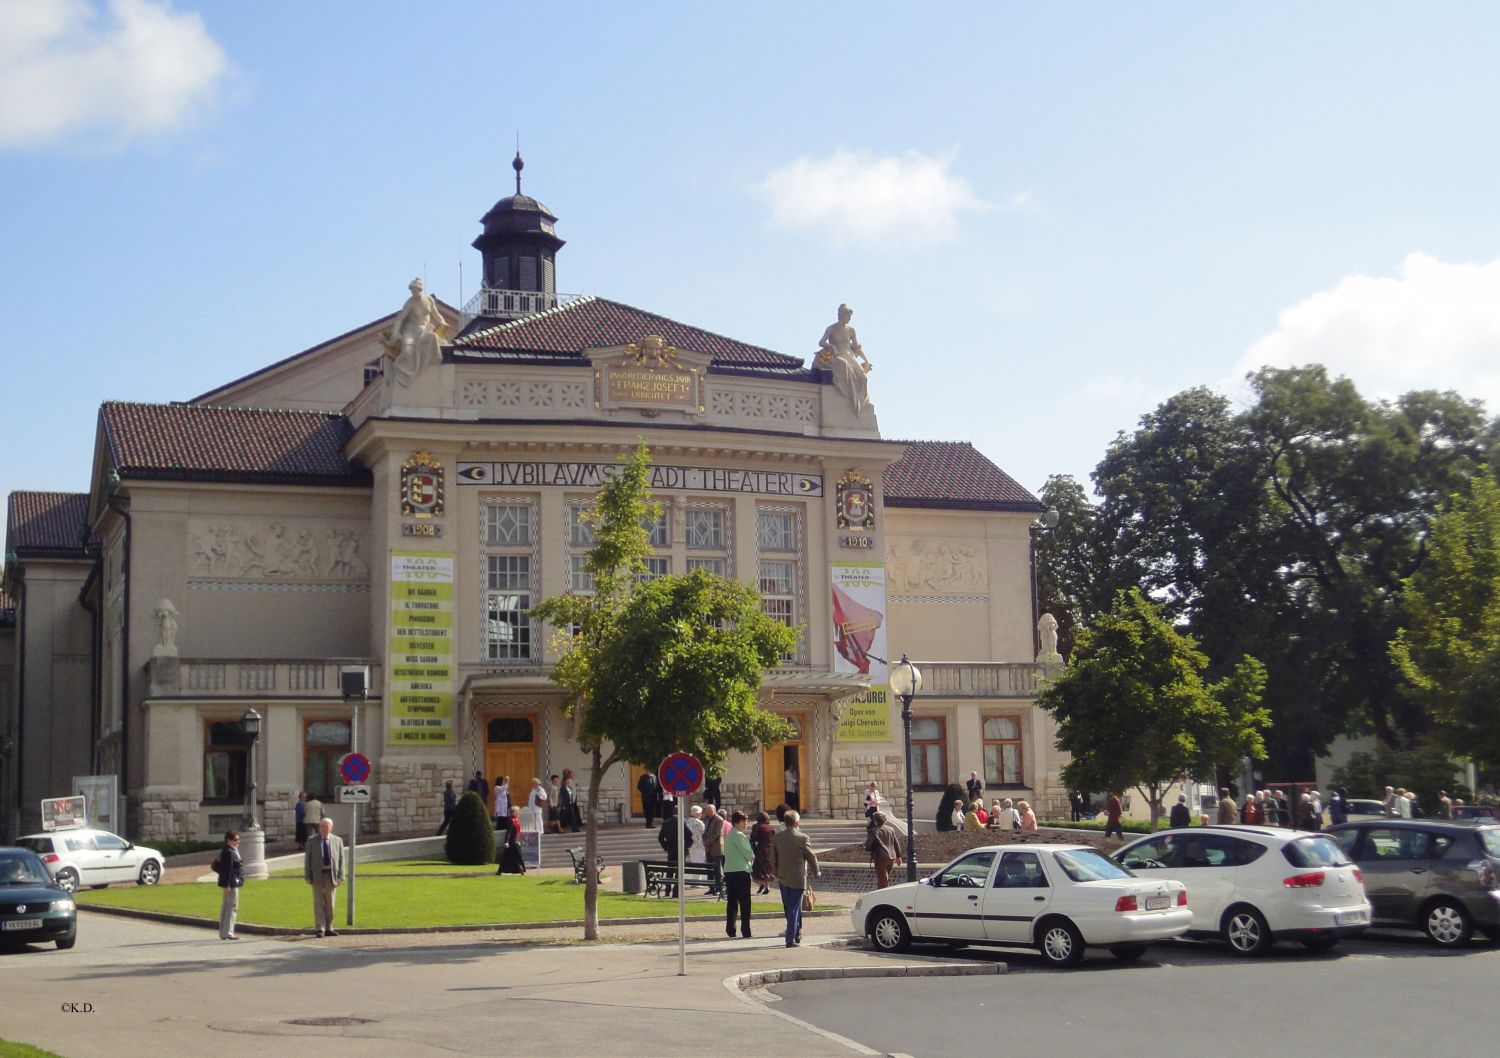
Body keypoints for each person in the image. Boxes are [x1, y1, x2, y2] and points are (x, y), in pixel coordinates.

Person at [382, 276, 446, 384]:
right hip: (411, 331)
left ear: (420, 289)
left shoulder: (429, 300)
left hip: (425, 329)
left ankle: (426, 369)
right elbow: (399, 319)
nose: (414, 292)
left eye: (416, 290)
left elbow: (436, 314)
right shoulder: (409, 303)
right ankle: (403, 375)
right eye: (412, 290)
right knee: (407, 352)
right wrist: (394, 335)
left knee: (433, 338)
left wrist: (442, 322)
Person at [770, 809, 819, 948]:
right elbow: (811, 857)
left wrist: (775, 872)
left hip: (782, 877)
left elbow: (772, 857)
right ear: (797, 822)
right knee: (793, 908)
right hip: (797, 878)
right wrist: (816, 872)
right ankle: (790, 939)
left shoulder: (778, 837)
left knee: (790, 908)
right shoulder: (802, 838)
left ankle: (796, 934)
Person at [815, 303, 872, 414]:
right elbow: (821, 342)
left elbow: (857, 347)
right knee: (845, 368)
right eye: (848, 317)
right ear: (842, 315)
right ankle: (848, 398)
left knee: (864, 379)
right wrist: (831, 346)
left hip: (850, 356)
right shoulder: (831, 328)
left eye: (850, 317)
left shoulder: (851, 330)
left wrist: (866, 360)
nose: (849, 319)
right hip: (838, 356)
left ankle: (860, 404)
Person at [303, 817, 345, 938]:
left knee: (330, 903)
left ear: (331, 828)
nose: (324, 829)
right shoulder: (312, 840)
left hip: (331, 875)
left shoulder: (337, 840)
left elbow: (341, 859)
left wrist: (341, 876)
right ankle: (319, 928)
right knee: (318, 902)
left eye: (326, 826)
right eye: (322, 826)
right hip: (317, 875)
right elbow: (308, 859)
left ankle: (329, 927)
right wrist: (307, 875)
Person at [723, 811, 754, 938]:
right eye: (744, 821)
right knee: (745, 902)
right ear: (737, 822)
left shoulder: (730, 835)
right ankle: (745, 930)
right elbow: (748, 853)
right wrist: (752, 856)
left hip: (730, 870)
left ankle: (731, 928)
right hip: (741, 871)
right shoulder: (739, 835)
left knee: (732, 902)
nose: (746, 823)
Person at [214, 829, 244, 940]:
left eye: (238, 839)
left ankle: (224, 932)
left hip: (231, 882)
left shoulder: (231, 850)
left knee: (227, 906)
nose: (237, 842)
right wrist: (227, 885)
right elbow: (228, 870)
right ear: (228, 840)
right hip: (231, 883)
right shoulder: (229, 852)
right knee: (231, 907)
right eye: (235, 839)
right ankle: (228, 932)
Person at [865, 811, 904, 890]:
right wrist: (899, 856)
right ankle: (880, 894)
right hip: (891, 857)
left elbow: (868, 845)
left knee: (883, 879)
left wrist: (867, 848)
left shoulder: (873, 831)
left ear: (875, 821)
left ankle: (884, 895)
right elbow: (896, 843)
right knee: (883, 878)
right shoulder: (891, 829)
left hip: (880, 857)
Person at [701, 802, 727, 896]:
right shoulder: (707, 819)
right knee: (709, 869)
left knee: (717, 869)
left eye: (711, 810)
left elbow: (717, 834)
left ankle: (719, 888)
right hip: (708, 848)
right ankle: (711, 888)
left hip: (716, 848)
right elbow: (705, 832)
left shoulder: (719, 820)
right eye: (708, 810)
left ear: (715, 810)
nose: (709, 812)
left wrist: (707, 843)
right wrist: (704, 841)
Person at [750, 811, 776, 895]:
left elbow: (753, 838)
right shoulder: (771, 828)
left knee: (757, 869)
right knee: (767, 869)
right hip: (770, 851)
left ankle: (761, 883)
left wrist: (753, 848)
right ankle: (766, 886)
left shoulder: (756, 827)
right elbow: (773, 838)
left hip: (760, 850)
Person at [497, 806, 526, 874]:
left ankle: (500, 870)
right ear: (515, 813)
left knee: (507, 857)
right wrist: (507, 842)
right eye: (518, 811)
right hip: (512, 842)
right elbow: (508, 832)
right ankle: (520, 869)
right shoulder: (512, 821)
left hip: (515, 840)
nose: (519, 813)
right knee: (517, 856)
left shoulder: (516, 820)